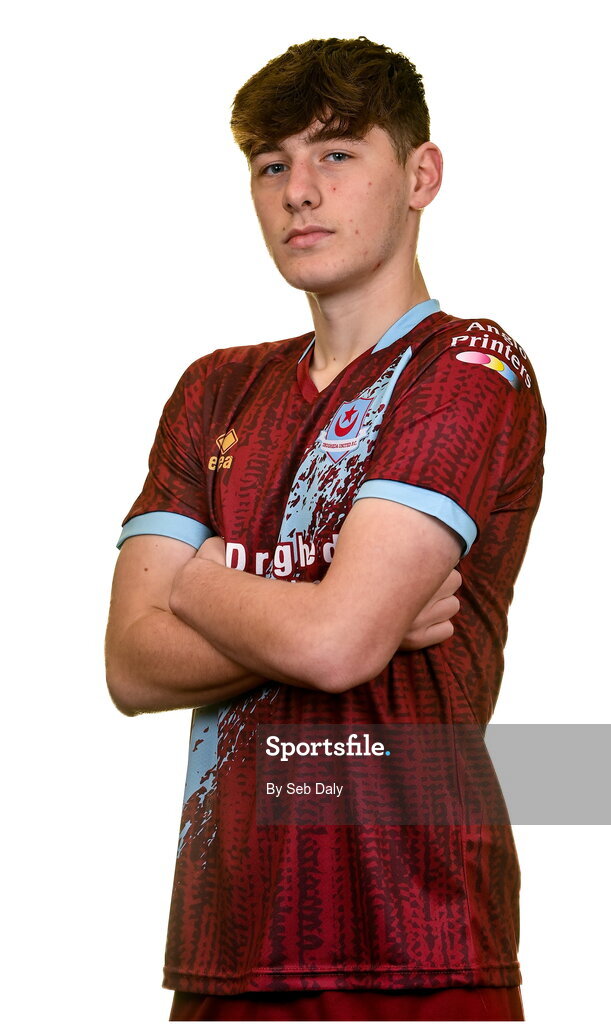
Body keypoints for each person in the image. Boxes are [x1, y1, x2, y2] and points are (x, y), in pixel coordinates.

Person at [105, 36, 545, 1022]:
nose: (298, 191)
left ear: (420, 175)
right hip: (226, 945)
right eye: (271, 166)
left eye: (336, 153)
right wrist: (334, 609)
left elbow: (337, 645)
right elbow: (130, 664)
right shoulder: (213, 388)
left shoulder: (470, 368)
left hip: (418, 944)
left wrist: (198, 582)